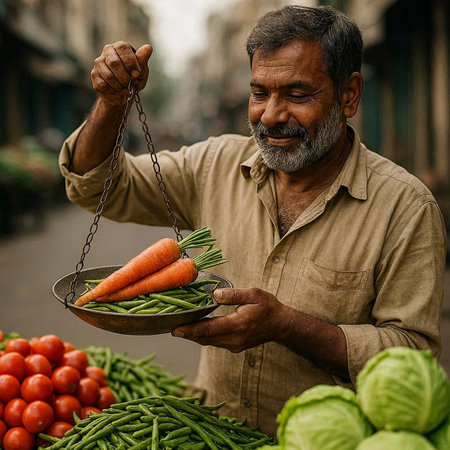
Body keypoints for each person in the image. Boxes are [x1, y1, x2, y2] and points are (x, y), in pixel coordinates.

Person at [59, 5, 446, 437]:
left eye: (297, 95)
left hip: (325, 442)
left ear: (349, 94)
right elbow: (96, 186)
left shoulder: (405, 208)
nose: (270, 115)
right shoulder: (215, 164)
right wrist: (112, 104)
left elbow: (412, 354)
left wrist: (287, 326)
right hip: (212, 432)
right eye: (260, 92)